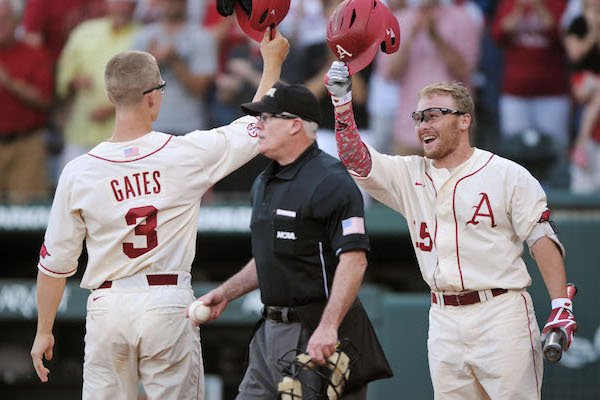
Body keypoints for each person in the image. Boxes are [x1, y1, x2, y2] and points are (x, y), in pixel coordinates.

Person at [29, 27, 289, 399]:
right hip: (167, 301)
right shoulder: (184, 153)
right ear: (154, 98)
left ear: (111, 96)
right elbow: (254, 127)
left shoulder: (78, 170)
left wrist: (43, 330)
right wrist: (272, 63)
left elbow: (54, 265)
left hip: (108, 304)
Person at [325, 61, 578, 399]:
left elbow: (540, 237)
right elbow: (356, 159)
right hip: (443, 316)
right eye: (418, 117)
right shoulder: (408, 173)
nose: (422, 125)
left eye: (433, 115)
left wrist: (561, 303)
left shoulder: (506, 174)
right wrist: (342, 103)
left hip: (500, 312)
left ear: (464, 120)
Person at [197, 81, 392, 399]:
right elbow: (271, 256)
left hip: (316, 330)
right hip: (269, 329)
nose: (257, 126)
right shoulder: (263, 181)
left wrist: (328, 326)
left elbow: (354, 259)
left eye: (267, 118)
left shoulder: (331, 181)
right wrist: (226, 293)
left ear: (295, 125)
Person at [132, 0, 217, 135]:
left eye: (177, 1)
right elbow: (134, 87)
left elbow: (200, 89)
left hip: (189, 126)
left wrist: (174, 60)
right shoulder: (143, 36)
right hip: (151, 126)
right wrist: (154, 61)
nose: (171, 4)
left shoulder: (201, 36)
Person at [0, 0, 53, 204]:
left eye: (5, 20)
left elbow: (45, 101)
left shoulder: (35, 55)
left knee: (27, 211)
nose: (0, 26)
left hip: (27, 145)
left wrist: (10, 83)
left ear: (16, 22)